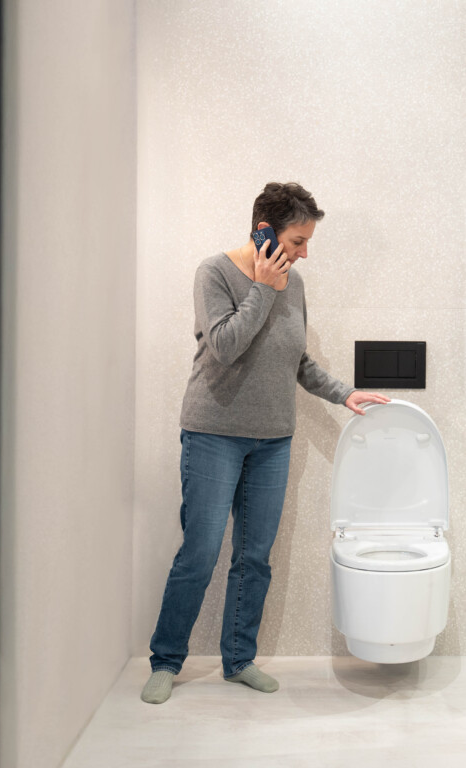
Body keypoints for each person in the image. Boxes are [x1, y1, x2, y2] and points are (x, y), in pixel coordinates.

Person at [141, 182, 390, 704]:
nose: (304, 254)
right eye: (298, 241)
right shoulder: (214, 273)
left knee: (254, 557)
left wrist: (343, 393)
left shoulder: (294, 285)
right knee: (200, 553)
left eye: (306, 243)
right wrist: (263, 286)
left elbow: (295, 359)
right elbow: (226, 345)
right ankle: (165, 660)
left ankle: (239, 660)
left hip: (273, 440)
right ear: (265, 233)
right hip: (213, 434)